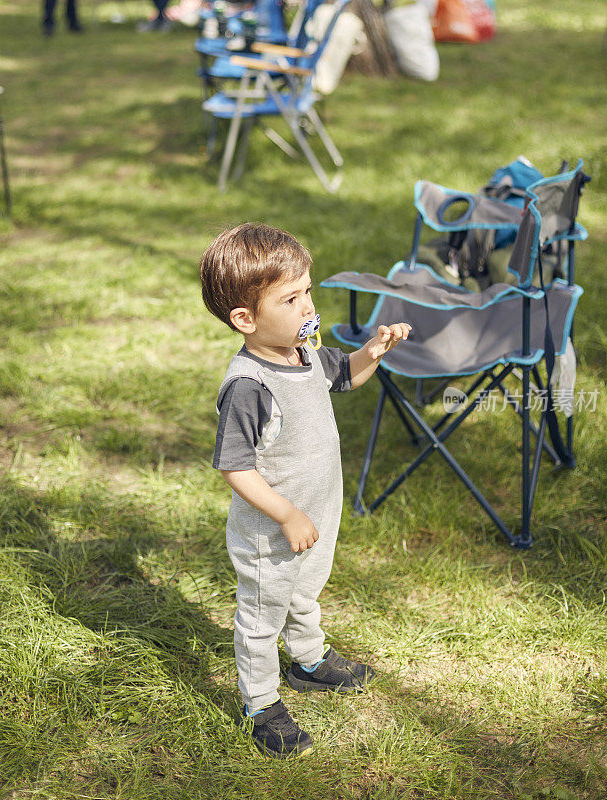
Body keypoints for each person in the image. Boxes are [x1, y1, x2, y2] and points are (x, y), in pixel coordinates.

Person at [199, 223, 411, 759]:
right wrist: (286, 512)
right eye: (290, 298)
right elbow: (234, 467)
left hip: (315, 518)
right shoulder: (250, 386)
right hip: (272, 534)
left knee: (305, 591)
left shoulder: (305, 354)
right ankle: (261, 702)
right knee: (263, 615)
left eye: (308, 291)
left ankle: (310, 662)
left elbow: (347, 377)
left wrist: (375, 350)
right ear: (245, 318)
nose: (306, 307)